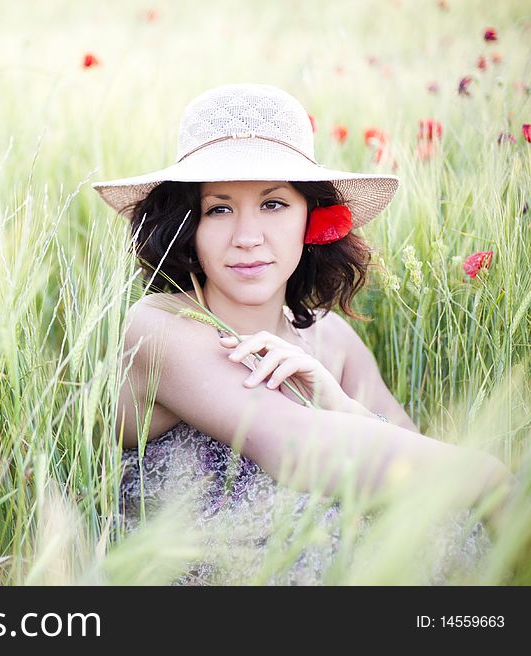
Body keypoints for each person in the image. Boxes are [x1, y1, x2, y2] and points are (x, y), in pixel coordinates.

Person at [91, 83, 517, 585]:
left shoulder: (330, 340)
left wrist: (341, 403)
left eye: (273, 205)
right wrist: (489, 476)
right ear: (190, 227)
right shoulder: (161, 325)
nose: (248, 237)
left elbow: (410, 457)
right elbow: (294, 448)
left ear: (311, 221)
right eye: (219, 209)